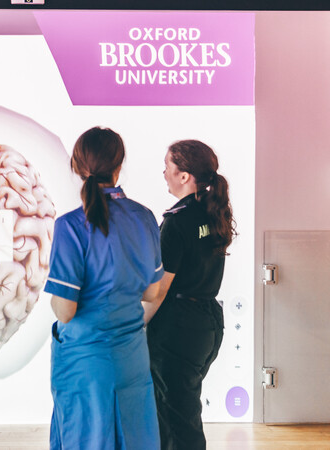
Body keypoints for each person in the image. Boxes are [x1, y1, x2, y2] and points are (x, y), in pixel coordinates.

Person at [45, 127, 163, 449]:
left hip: (85, 359)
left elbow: (66, 311)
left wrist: (54, 303)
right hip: (132, 355)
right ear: (119, 165)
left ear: (78, 167)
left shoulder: (70, 226)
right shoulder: (145, 218)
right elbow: (152, 293)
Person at [144, 140, 236, 450]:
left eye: (167, 167)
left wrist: (132, 325)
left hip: (178, 331)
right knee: (180, 414)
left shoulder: (177, 222)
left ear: (184, 176)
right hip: (208, 324)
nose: (164, 174)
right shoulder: (212, 212)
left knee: (177, 423)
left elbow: (159, 291)